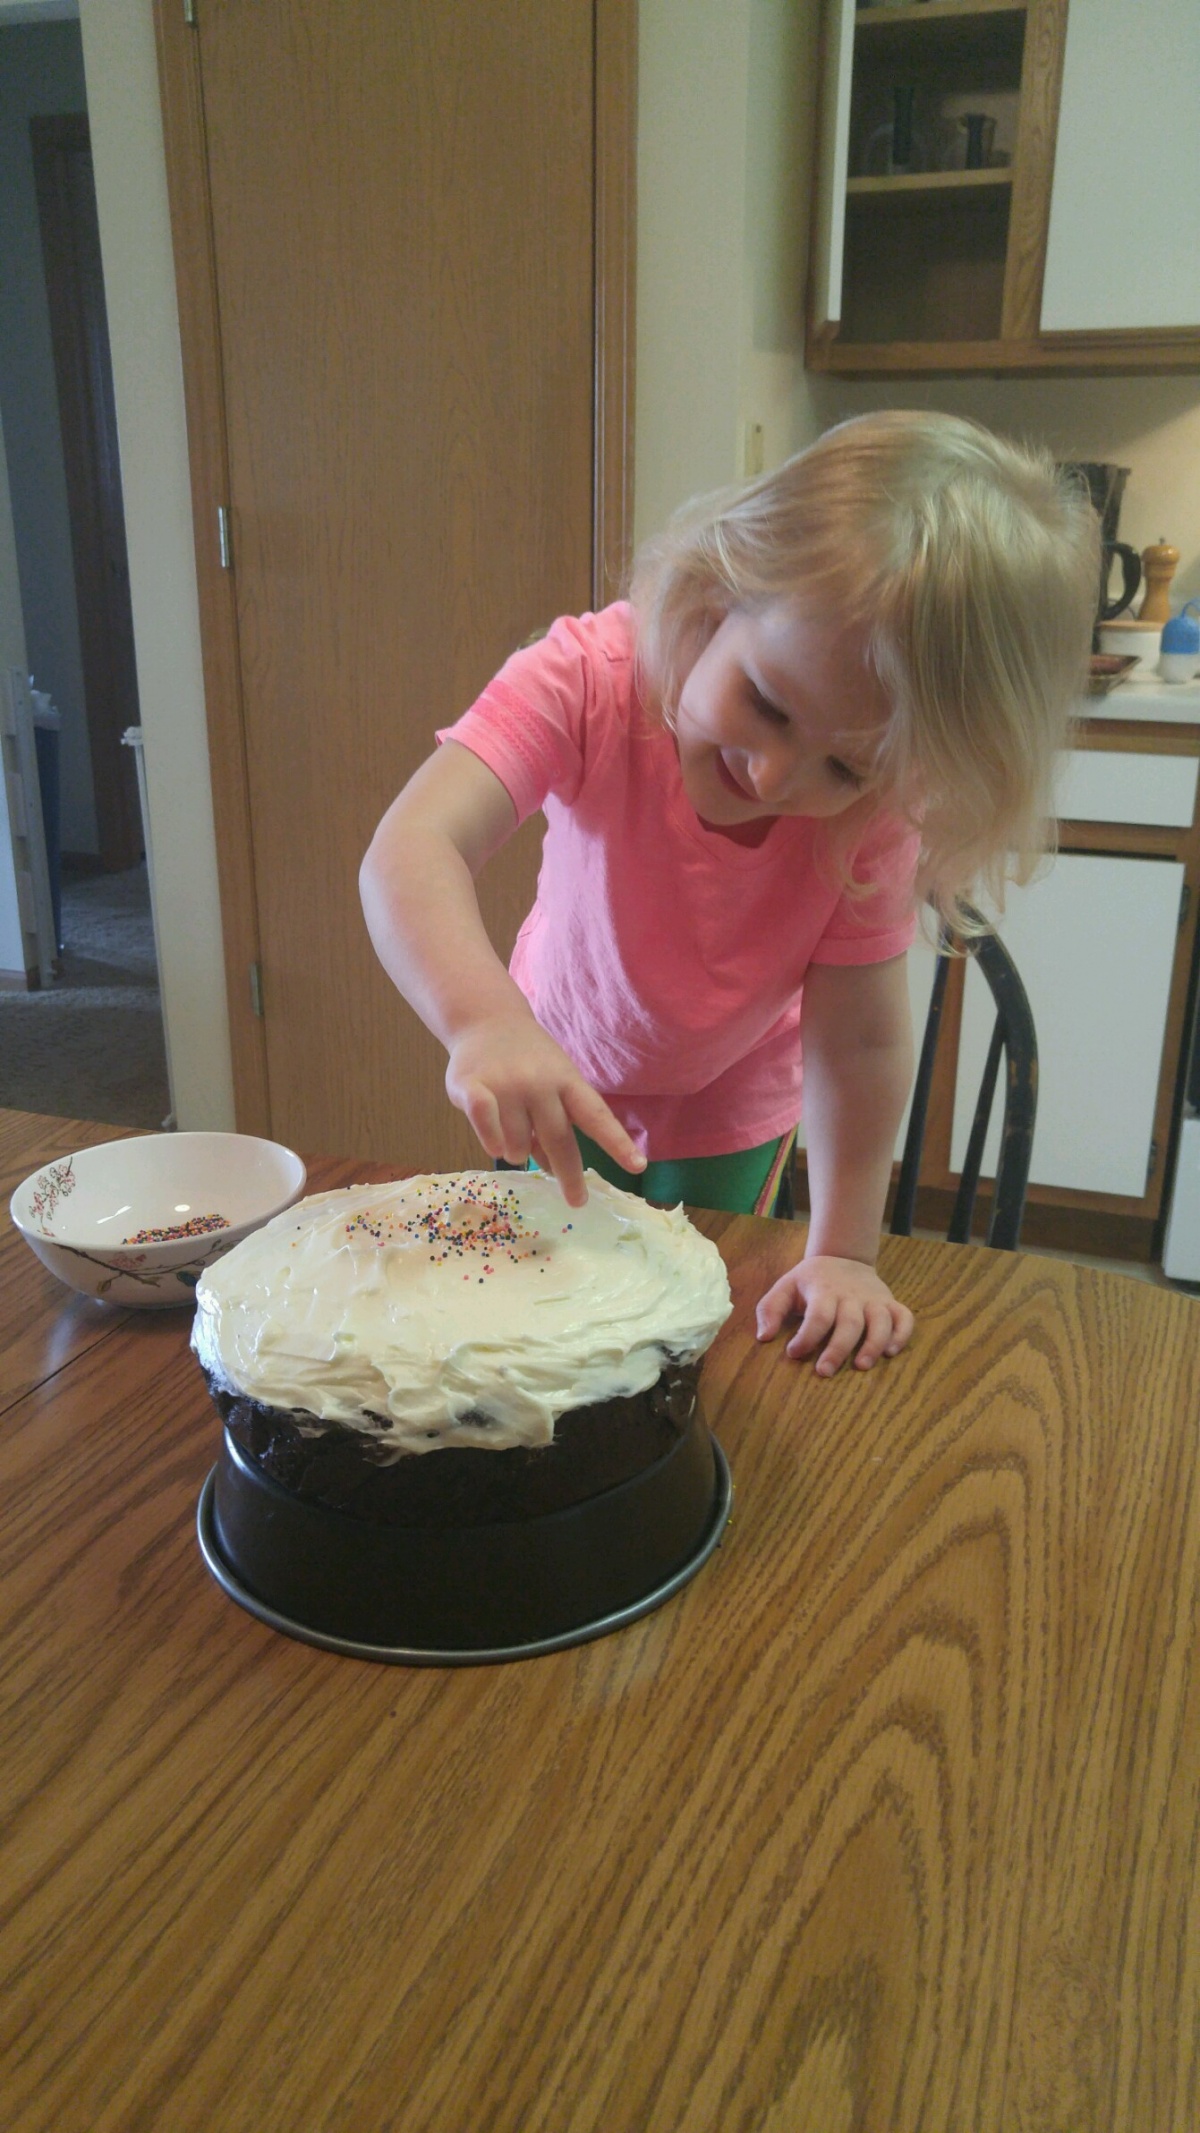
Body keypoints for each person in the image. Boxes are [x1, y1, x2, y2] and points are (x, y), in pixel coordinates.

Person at [360, 411, 1098, 1376]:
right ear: (715, 597)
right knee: (541, 1339)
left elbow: (860, 1043)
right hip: (552, 1073)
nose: (776, 776)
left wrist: (844, 1252)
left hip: (732, 1111)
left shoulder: (876, 811)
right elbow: (412, 846)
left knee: (689, 1347)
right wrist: (484, 1023)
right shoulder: (589, 679)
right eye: (768, 704)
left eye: (845, 767)